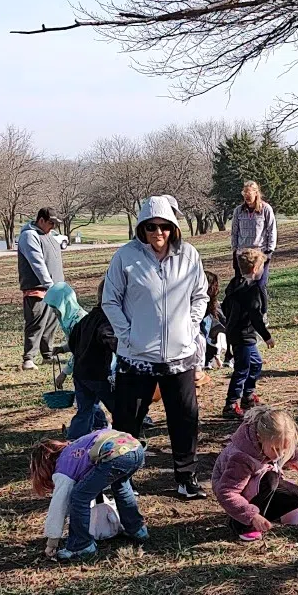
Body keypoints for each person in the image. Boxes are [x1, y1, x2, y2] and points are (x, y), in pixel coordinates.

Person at [105, 195, 210, 500]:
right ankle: (122, 481)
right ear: (142, 228)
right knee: (127, 423)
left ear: (174, 228)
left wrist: (190, 327)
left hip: (179, 357)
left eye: (164, 226)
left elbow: (200, 295)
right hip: (136, 358)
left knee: (185, 419)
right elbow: (110, 300)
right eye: (151, 227)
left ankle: (186, 478)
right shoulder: (125, 257)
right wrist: (127, 336)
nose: (158, 233)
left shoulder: (189, 255)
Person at [32, 428, 149, 560]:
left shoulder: (63, 468)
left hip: (116, 454)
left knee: (79, 497)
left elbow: (58, 507)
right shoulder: (76, 449)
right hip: (134, 447)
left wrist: (52, 542)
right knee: (121, 486)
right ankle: (136, 529)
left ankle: (81, 546)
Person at [211, 406, 298, 543]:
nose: (281, 454)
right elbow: (226, 493)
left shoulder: (271, 441)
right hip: (234, 485)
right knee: (270, 479)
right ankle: (242, 524)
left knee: (297, 496)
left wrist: (293, 458)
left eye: (285, 449)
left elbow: (286, 445)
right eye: (276, 449)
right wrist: (251, 515)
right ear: (260, 438)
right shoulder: (241, 458)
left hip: (257, 478)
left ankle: (260, 516)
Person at [220, 249, 274, 420]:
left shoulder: (234, 284)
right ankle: (230, 404)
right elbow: (255, 316)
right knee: (242, 370)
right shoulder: (252, 291)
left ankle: (248, 396)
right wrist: (266, 336)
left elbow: (224, 307)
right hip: (244, 336)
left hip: (235, 333)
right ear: (256, 269)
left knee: (256, 363)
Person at [66, 280, 119, 439]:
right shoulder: (106, 320)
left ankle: (74, 439)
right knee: (118, 407)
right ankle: (123, 436)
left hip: (80, 373)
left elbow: (72, 341)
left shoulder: (85, 320)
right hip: (98, 374)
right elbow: (107, 336)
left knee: (85, 409)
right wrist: (122, 350)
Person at [18, 208, 66, 369]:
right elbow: (37, 262)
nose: (53, 226)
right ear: (41, 220)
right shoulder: (29, 236)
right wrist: (49, 284)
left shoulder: (49, 236)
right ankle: (28, 359)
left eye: (55, 223)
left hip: (54, 289)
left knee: (51, 323)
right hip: (37, 289)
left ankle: (47, 355)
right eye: (51, 223)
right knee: (36, 323)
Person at [230, 181, 278, 284]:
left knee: (259, 285)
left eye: (249, 193)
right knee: (241, 285)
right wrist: (235, 250)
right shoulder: (238, 211)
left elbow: (272, 230)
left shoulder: (266, 209)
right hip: (242, 254)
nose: (246, 196)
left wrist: (269, 251)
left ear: (256, 193)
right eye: (244, 193)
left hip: (260, 253)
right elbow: (234, 232)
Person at [202, 271, 225, 370]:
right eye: (215, 285)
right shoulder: (200, 302)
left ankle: (209, 359)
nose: (217, 288)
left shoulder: (213, 304)